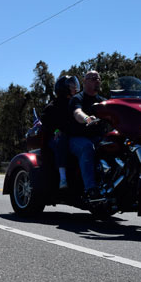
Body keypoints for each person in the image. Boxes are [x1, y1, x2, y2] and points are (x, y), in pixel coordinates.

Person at [68, 71, 106, 202]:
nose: (97, 81)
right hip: (77, 139)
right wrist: (87, 118)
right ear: (85, 82)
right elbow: (77, 112)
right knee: (87, 147)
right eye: (93, 78)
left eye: (99, 78)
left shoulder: (103, 101)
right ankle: (91, 189)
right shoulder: (77, 99)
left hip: (98, 138)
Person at [41, 75, 80, 189]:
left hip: (72, 136)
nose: (75, 87)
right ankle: (63, 178)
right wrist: (56, 130)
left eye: (75, 85)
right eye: (72, 85)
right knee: (61, 140)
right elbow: (45, 120)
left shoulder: (75, 103)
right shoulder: (54, 105)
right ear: (64, 88)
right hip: (55, 138)